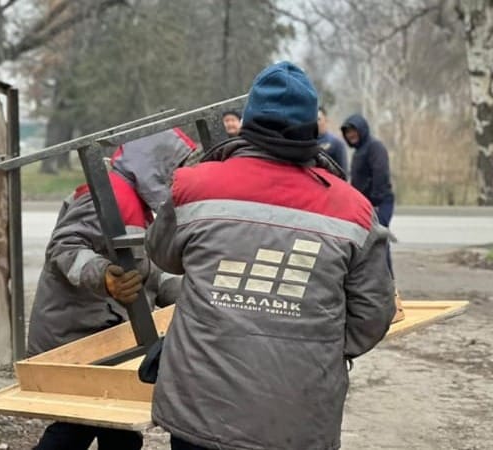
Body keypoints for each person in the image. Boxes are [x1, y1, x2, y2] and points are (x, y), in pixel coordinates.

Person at [145, 61, 396, 450]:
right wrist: (313, 340)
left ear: (247, 121)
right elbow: (372, 316)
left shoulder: (194, 186)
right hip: (298, 419)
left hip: (200, 412)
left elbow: (163, 256)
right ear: (313, 128)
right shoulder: (355, 211)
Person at [28, 128, 197, 450]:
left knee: (113, 430)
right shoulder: (105, 196)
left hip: (101, 334)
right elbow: (64, 247)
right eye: (176, 166)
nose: (179, 175)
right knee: (76, 427)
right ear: (156, 164)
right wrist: (104, 275)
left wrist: (188, 294)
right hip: (77, 336)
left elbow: (147, 271)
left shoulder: (138, 204)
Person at [341, 114, 403, 322]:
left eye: (353, 131)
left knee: (380, 245)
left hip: (378, 203)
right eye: (347, 132)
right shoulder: (360, 151)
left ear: (362, 129)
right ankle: (378, 298)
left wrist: (374, 202)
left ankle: (393, 300)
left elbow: (381, 175)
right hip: (366, 204)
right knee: (369, 247)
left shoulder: (375, 147)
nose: (351, 135)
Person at [318, 106, 348, 174]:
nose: (315, 122)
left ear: (326, 120)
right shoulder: (308, 142)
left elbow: (343, 172)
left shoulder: (336, 143)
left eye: (318, 119)